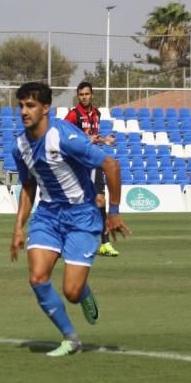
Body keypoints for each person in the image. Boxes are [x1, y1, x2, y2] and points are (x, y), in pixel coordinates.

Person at [9, 81, 130, 357]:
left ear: (46, 108)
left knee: (71, 293)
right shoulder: (20, 147)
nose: (24, 112)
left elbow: (111, 165)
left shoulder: (64, 137)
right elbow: (29, 186)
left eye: (31, 106)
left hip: (82, 216)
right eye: (21, 106)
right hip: (48, 216)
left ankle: (83, 293)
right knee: (38, 278)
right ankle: (70, 338)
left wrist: (113, 212)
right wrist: (18, 227)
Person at [64, 81, 119, 257]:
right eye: (81, 95)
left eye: (87, 94)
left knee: (100, 200)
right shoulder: (73, 116)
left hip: (93, 161)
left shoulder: (96, 113)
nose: (84, 97)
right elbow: (65, 135)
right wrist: (89, 140)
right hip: (78, 164)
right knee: (72, 202)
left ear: (92, 94)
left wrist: (104, 140)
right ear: (78, 96)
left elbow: (92, 136)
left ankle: (105, 243)